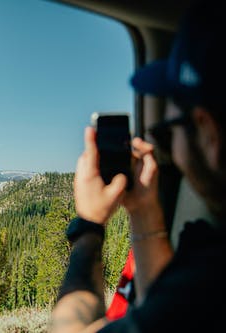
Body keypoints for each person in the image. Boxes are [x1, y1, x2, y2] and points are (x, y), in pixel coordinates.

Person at [48, 1, 226, 332]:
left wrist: (89, 227)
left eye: (167, 131)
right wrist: (145, 211)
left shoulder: (211, 283)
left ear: (210, 135)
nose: (164, 146)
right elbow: (167, 311)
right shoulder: (203, 279)